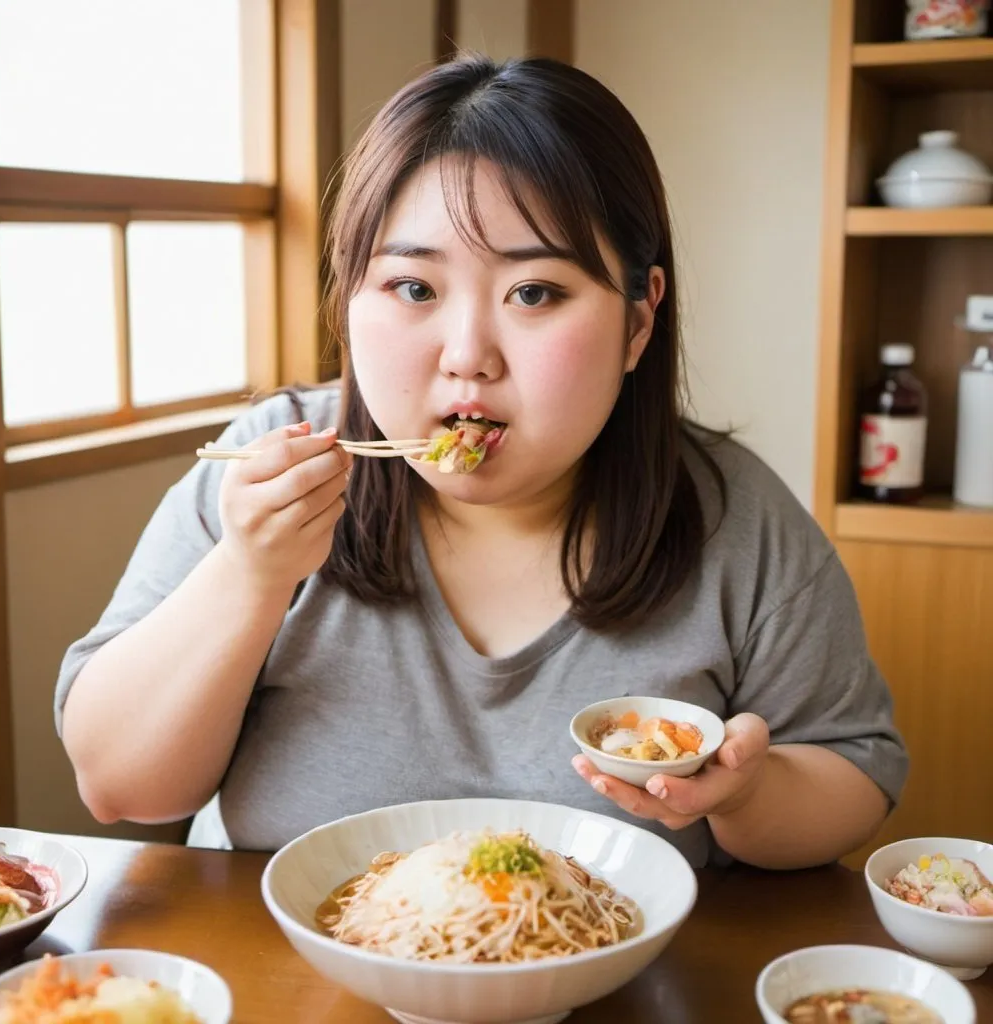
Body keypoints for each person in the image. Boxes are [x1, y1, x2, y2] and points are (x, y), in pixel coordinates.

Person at [54, 54, 907, 870]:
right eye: (414, 288)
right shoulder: (268, 468)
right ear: (350, 297)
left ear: (639, 320)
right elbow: (120, 787)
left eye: (534, 293)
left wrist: (744, 793)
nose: (467, 355)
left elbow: (854, 777)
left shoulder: (733, 518)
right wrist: (249, 574)